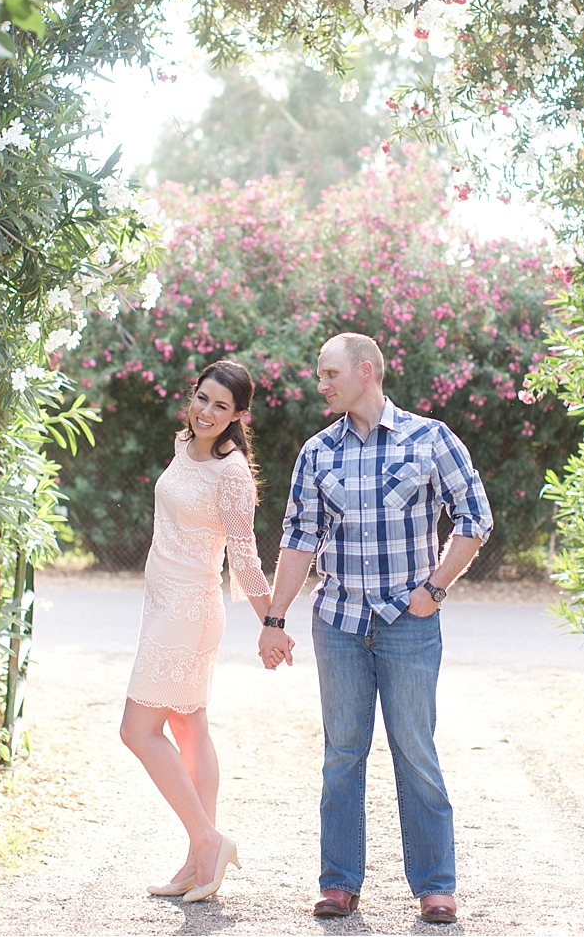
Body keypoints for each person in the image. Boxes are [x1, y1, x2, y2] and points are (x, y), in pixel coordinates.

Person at [257, 332, 493, 926]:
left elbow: (475, 518)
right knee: (342, 754)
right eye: (320, 374)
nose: (321, 384)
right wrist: (275, 618)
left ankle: (436, 886)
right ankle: (338, 883)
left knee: (415, 751)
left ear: (366, 371)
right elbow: (298, 538)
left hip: (408, 625)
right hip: (338, 623)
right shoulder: (317, 452)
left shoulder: (430, 438)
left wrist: (435, 588)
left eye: (330, 373)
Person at [119, 360, 271, 903]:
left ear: (238, 416)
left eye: (220, 406)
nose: (206, 411)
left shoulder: (232, 474)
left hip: (190, 610)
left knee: (137, 731)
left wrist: (272, 623)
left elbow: (244, 557)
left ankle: (209, 841)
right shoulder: (185, 443)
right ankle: (198, 863)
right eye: (201, 398)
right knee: (188, 727)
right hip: (162, 603)